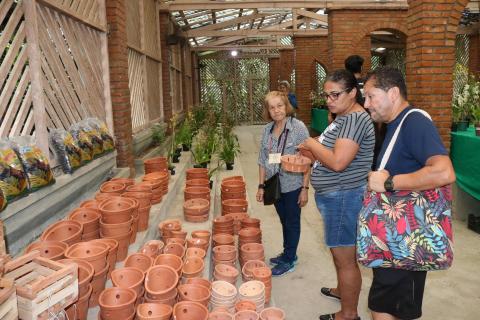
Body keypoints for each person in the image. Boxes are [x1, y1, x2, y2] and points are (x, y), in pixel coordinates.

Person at [362, 66, 456, 320]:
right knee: (386, 308)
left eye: (371, 96)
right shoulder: (393, 124)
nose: (366, 103)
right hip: (397, 240)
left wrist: (390, 183)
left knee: (383, 310)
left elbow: (444, 172)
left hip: (407, 240)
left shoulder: (414, 121)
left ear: (392, 93)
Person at [298, 70, 375, 320]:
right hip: (336, 195)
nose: (329, 100)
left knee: (345, 259)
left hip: (343, 196)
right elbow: (328, 151)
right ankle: (343, 290)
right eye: (326, 95)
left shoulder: (353, 120)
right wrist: (311, 152)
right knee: (337, 251)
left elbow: (339, 162)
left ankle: (349, 314)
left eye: (335, 94)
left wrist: (311, 145)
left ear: (353, 93)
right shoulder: (343, 117)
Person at [256, 90, 309, 276]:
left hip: (293, 185)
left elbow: (308, 159)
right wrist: (261, 185)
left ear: (286, 106)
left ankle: (289, 259)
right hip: (274, 184)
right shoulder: (267, 130)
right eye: (272, 107)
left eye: (279, 106)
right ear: (268, 111)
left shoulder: (298, 128)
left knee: (292, 222)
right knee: (284, 220)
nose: (276, 110)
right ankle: (288, 252)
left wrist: (305, 188)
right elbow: (262, 159)